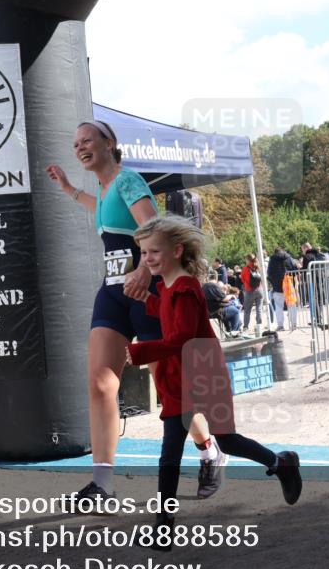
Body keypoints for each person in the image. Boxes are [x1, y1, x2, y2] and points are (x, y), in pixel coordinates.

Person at [46, 120, 221, 501]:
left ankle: (209, 450)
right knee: (100, 383)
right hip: (113, 292)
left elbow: (153, 229)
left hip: (147, 292)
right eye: (75, 144)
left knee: (170, 389)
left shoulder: (128, 181)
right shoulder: (104, 189)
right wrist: (69, 189)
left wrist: (144, 270)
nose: (80, 148)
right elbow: (101, 210)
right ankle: (102, 484)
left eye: (87, 140)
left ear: (109, 143)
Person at [124, 216, 302, 547]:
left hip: (203, 373)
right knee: (171, 453)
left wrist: (138, 351)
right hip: (182, 376)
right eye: (144, 253)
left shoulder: (186, 289)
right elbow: (168, 314)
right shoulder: (169, 288)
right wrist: (146, 299)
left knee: (226, 440)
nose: (147, 259)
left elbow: (181, 337)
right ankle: (163, 528)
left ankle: (281, 463)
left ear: (177, 250)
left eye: (153, 251)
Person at [267, 246, 297, 331]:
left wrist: (273, 282)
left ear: (275, 252)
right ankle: (293, 324)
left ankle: (280, 325)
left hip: (277, 286)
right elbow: (295, 269)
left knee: (278, 306)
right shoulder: (289, 258)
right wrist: (292, 281)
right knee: (292, 305)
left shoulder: (272, 260)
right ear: (283, 251)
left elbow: (269, 273)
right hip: (289, 285)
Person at [240, 254, 264, 331]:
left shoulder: (245, 269)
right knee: (259, 308)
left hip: (249, 291)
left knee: (247, 310)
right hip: (259, 290)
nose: (245, 261)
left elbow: (242, 279)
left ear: (248, 260)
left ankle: (246, 326)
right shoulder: (258, 267)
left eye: (246, 259)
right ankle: (259, 325)